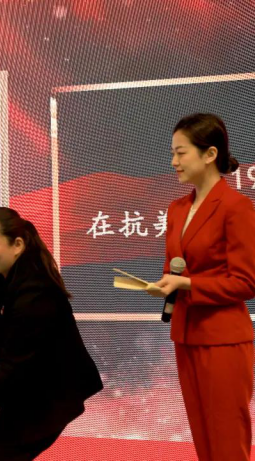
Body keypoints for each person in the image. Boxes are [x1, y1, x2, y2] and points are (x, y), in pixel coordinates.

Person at [0, 207, 102, 461]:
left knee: (4, 451)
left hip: (54, 389)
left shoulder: (36, 291)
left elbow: (14, 362)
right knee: (1, 451)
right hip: (28, 381)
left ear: (17, 245)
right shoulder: (4, 276)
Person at [146, 113, 254, 461]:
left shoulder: (236, 207)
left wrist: (188, 284)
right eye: (172, 153)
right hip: (185, 334)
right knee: (204, 440)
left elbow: (245, 282)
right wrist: (167, 285)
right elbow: (174, 267)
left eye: (181, 153)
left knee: (227, 439)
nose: (173, 162)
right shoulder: (177, 209)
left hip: (223, 339)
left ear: (210, 154)